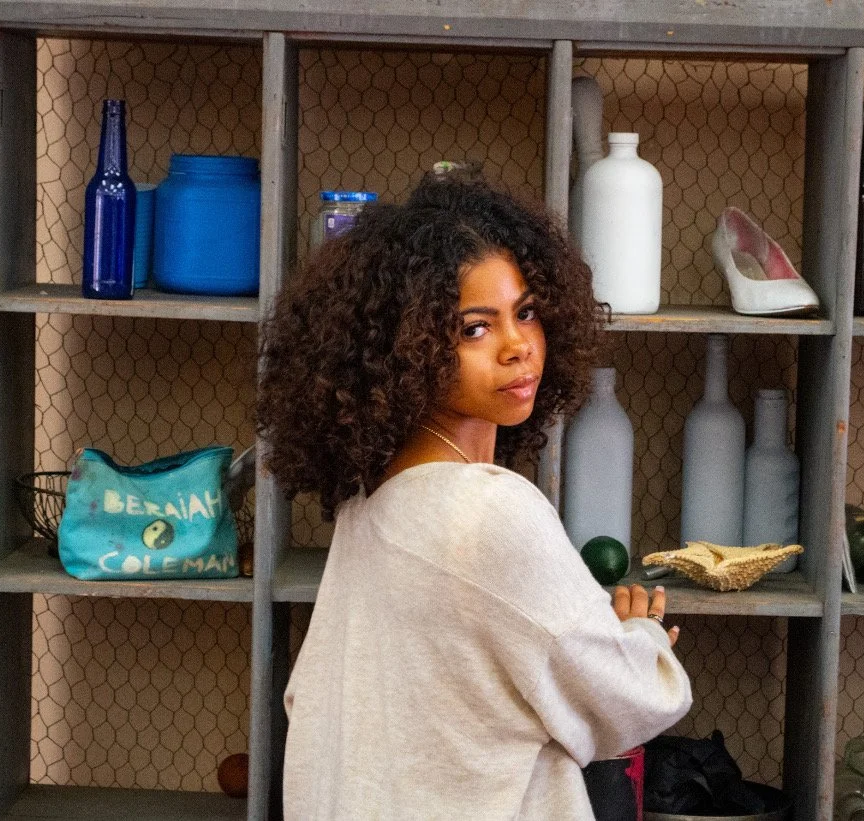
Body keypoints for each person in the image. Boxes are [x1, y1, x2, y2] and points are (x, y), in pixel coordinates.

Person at [257, 175, 692, 819]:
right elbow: (625, 702)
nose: (517, 345)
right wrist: (640, 636)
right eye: (473, 329)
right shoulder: (491, 514)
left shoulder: (371, 504)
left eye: (527, 312)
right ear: (402, 349)